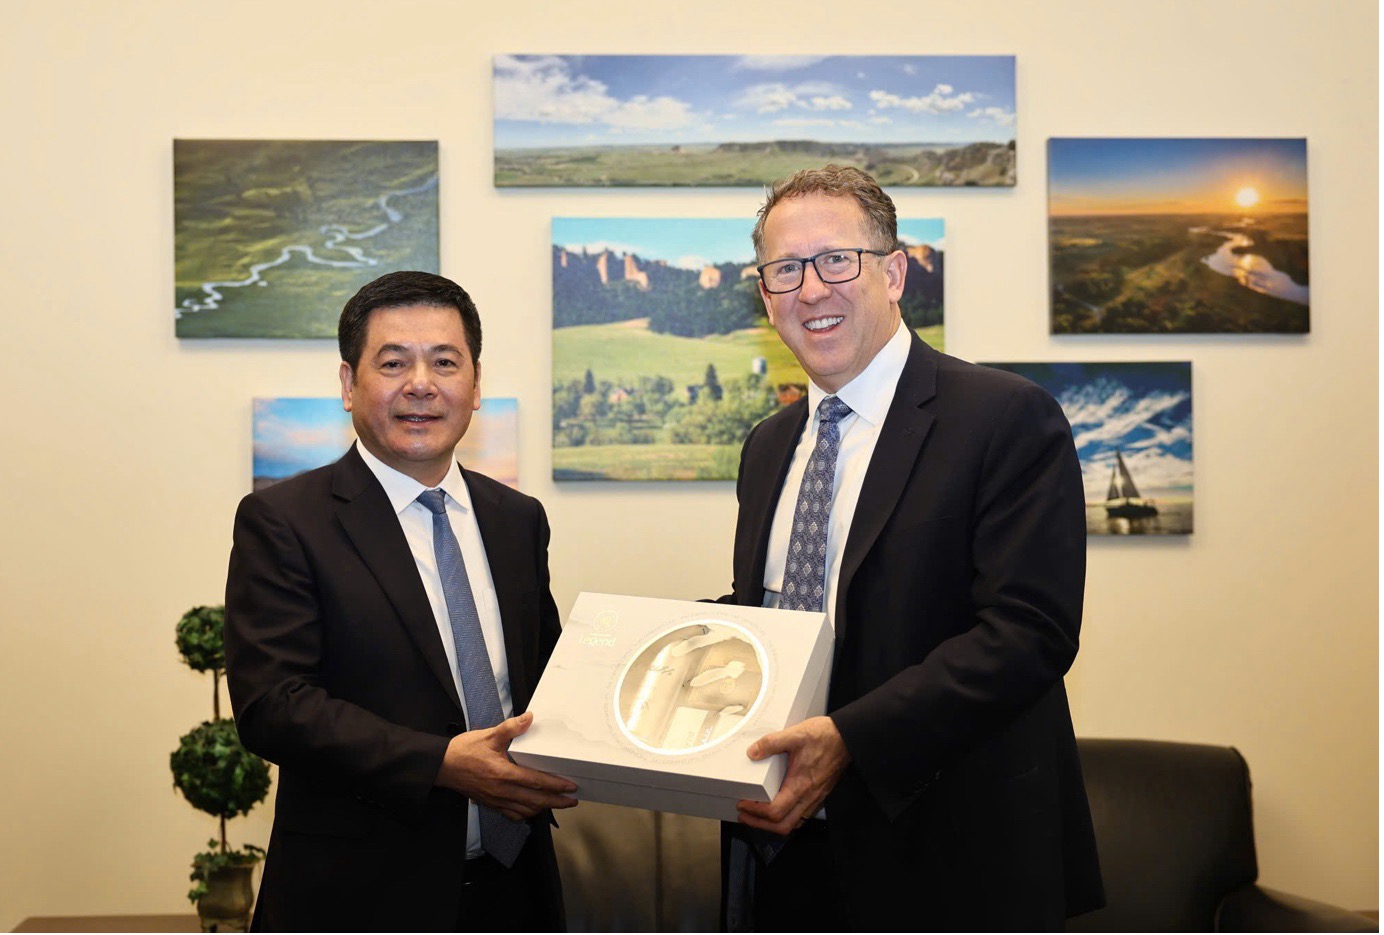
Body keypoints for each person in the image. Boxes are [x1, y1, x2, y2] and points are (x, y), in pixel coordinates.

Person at [720, 166, 1104, 931]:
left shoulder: (1005, 418)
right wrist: (660, 654)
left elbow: (1029, 632)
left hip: (951, 861)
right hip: (788, 855)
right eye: (785, 270)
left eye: (837, 260)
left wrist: (851, 738)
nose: (811, 289)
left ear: (894, 273)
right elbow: (775, 615)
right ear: (765, 296)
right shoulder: (767, 446)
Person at [225, 271, 578, 931]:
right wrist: (440, 764)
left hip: (515, 890)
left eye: (445, 362)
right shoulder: (285, 521)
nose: (421, 383)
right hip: (358, 896)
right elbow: (273, 705)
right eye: (393, 363)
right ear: (348, 383)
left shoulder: (518, 519)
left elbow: (548, 678)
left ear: (475, 383)